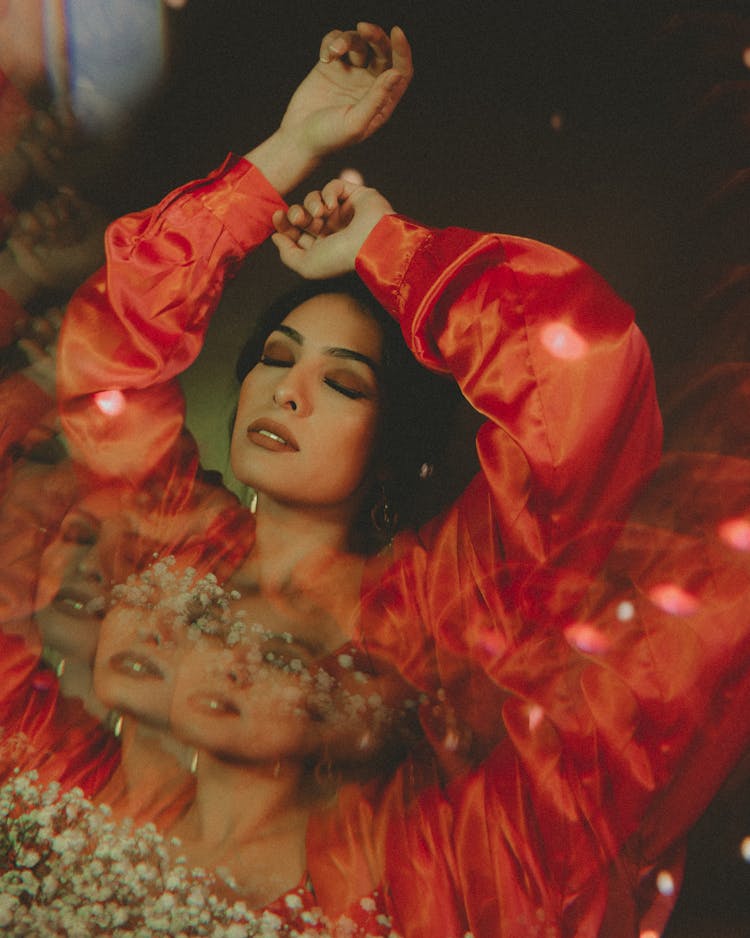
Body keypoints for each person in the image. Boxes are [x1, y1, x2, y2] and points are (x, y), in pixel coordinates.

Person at [47, 16, 749, 938]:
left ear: (390, 437)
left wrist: (389, 252)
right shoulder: (171, 534)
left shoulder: (426, 605)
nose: (287, 393)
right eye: (275, 358)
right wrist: (289, 148)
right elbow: (108, 363)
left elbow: (579, 390)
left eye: (341, 382)